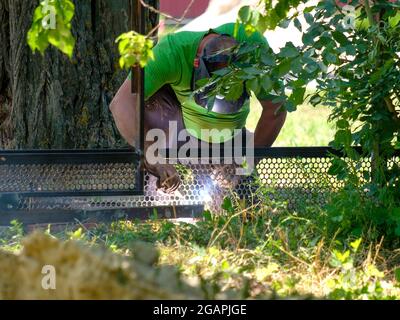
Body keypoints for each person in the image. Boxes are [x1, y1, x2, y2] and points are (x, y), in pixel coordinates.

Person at [110, 22, 287, 193]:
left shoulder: (253, 49)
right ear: (197, 65)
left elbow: (276, 108)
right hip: (178, 129)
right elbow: (121, 104)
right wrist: (153, 157)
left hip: (232, 134)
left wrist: (247, 162)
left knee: (246, 209)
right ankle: (161, 175)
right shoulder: (171, 53)